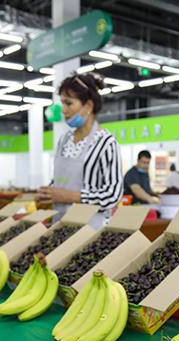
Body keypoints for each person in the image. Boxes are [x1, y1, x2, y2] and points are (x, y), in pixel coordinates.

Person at [37, 73, 123, 229]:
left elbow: (113, 195)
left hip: (91, 230)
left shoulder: (106, 143)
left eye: (68, 103)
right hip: (61, 225)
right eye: (62, 103)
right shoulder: (64, 140)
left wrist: (69, 196)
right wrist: (49, 192)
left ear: (88, 106)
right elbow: (61, 180)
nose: (63, 110)